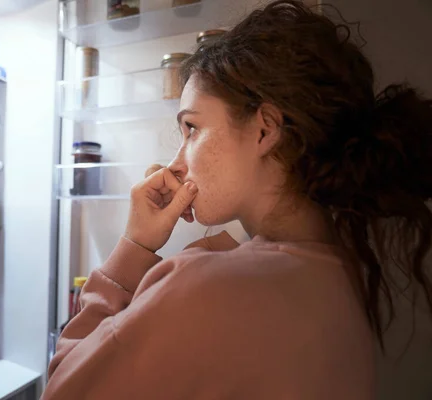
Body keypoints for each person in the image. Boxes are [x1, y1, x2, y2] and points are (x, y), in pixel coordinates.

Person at [42, 1, 432, 399]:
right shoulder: (344, 270)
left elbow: (60, 390)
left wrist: (134, 247)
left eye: (191, 128)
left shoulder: (203, 287)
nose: (177, 164)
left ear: (265, 130)